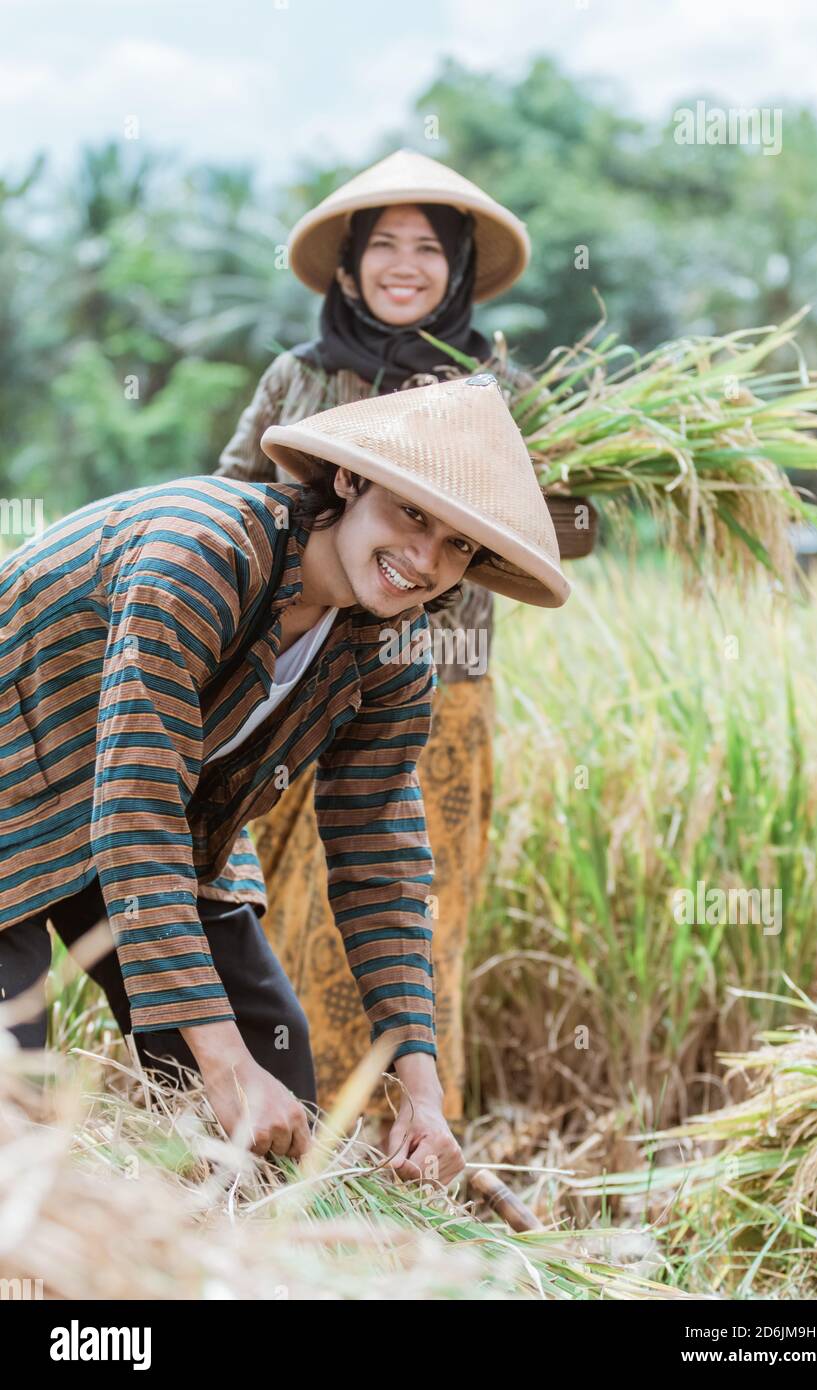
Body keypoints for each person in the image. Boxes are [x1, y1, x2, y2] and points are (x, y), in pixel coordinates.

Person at [0, 372, 572, 1186]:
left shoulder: (393, 649)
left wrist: (420, 1089)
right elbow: (135, 808)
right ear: (349, 479)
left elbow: (381, 859)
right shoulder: (204, 553)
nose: (424, 560)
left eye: (458, 546)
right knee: (13, 1091)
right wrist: (223, 1068)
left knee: (275, 1064)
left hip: (165, 823)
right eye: (412, 514)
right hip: (21, 783)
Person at [213, 147, 547, 1136]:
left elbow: (549, 534)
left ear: (456, 268)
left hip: (428, 684)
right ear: (349, 268)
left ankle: (393, 1132)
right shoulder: (299, 375)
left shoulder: (500, 388)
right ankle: (243, 1106)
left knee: (399, 899)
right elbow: (236, 488)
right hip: (284, 670)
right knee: (264, 894)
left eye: (428, 250)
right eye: (384, 247)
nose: (406, 266)